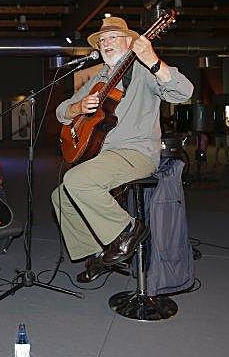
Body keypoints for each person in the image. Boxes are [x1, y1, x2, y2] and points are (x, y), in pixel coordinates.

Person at [50, 16, 193, 284]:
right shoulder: (99, 78)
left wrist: (153, 61)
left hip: (136, 153)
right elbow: (61, 112)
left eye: (112, 38)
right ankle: (97, 253)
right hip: (105, 156)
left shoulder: (142, 71)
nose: (106, 43)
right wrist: (78, 108)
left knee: (75, 180)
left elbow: (183, 92)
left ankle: (128, 230)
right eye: (102, 40)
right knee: (60, 197)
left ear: (129, 42)